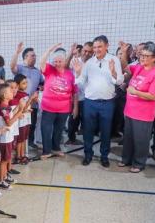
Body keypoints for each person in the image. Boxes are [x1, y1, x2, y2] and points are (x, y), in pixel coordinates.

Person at [73, 35, 124, 167]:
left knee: (106, 131)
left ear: (107, 46)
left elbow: (119, 81)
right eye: (95, 47)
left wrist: (113, 72)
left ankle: (104, 156)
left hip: (107, 103)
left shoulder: (114, 60)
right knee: (88, 131)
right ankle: (88, 155)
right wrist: (78, 72)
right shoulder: (89, 63)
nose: (96, 49)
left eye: (99, 47)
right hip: (90, 102)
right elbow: (80, 82)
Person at [118, 42, 155, 172]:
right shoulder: (140, 67)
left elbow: (153, 96)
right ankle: (126, 159)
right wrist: (123, 53)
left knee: (141, 140)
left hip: (143, 114)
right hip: (130, 110)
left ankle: (138, 163)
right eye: (141, 55)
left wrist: (135, 92)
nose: (142, 58)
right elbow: (125, 68)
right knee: (128, 138)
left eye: (146, 56)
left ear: (154, 57)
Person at [39, 43, 78, 159]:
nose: (57, 63)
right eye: (55, 61)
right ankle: (46, 151)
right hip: (48, 107)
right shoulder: (49, 70)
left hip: (64, 108)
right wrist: (49, 50)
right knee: (46, 129)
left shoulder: (70, 74)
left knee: (59, 130)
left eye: (60, 61)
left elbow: (75, 92)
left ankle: (56, 148)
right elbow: (41, 62)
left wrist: (75, 107)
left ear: (64, 61)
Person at [10, 43, 44, 148]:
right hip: (20, 102)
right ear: (25, 57)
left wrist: (40, 88)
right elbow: (12, 66)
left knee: (31, 123)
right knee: (19, 124)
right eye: (32, 55)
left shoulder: (38, 71)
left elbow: (42, 83)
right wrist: (17, 52)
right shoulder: (20, 68)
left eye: (35, 56)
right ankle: (17, 144)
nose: (35, 57)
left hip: (32, 103)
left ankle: (30, 142)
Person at [66, 41, 93, 145]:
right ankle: (71, 138)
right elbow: (66, 67)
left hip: (89, 98)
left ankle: (87, 140)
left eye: (89, 52)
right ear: (81, 51)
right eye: (85, 51)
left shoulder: (93, 63)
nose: (86, 53)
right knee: (73, 118)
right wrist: (70, 53)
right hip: (75, 96)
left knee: (87, 120)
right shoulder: (75, 60)